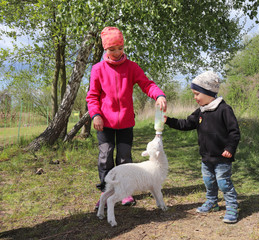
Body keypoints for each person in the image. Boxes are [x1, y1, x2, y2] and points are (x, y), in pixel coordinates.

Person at [86, 26, 167, 209]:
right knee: (105, 156)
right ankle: (106, 191)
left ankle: (125, 192)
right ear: (105, 49)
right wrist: (96, 115)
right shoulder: (98, 69)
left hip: (126, 123)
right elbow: (92, 96)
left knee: (124, 157)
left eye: (120, 48)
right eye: (112, 49)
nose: (116, 52)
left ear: (123, 47)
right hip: (104, 123)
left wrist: (159, 95)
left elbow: (147, 84)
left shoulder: (132, 67)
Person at [165, 71, 240, 223]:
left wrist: (230, 148)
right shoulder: (201, 111)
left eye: (197, 94)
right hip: (206, 157)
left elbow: (234, 132)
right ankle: (212, 202)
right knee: (209, 182)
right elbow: (186, 124)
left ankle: (232, 206)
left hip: (222, 157)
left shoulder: (224, 110)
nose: (195, 97)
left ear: (208, 92)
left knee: (223, 183)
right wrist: (169, 121)